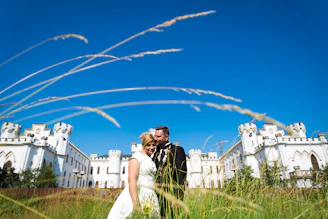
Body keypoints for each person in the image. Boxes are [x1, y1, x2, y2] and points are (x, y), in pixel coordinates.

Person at [107, 132, 160, 219]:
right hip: (139, 194)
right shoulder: (137, 157)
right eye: (148, 145)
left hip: (150, 195)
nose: (151, 148)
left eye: (153, 145)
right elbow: (132, 179)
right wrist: (136, 203)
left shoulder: (150, 160)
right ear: (143, 145)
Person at [152, 126, 187, 218]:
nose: (155, 139)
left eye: (158, 137)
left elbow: (181, 175)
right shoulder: (155, 153)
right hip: (156, 196)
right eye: (154, 136)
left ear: (166, 137)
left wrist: (177, 198)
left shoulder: (177, 150)